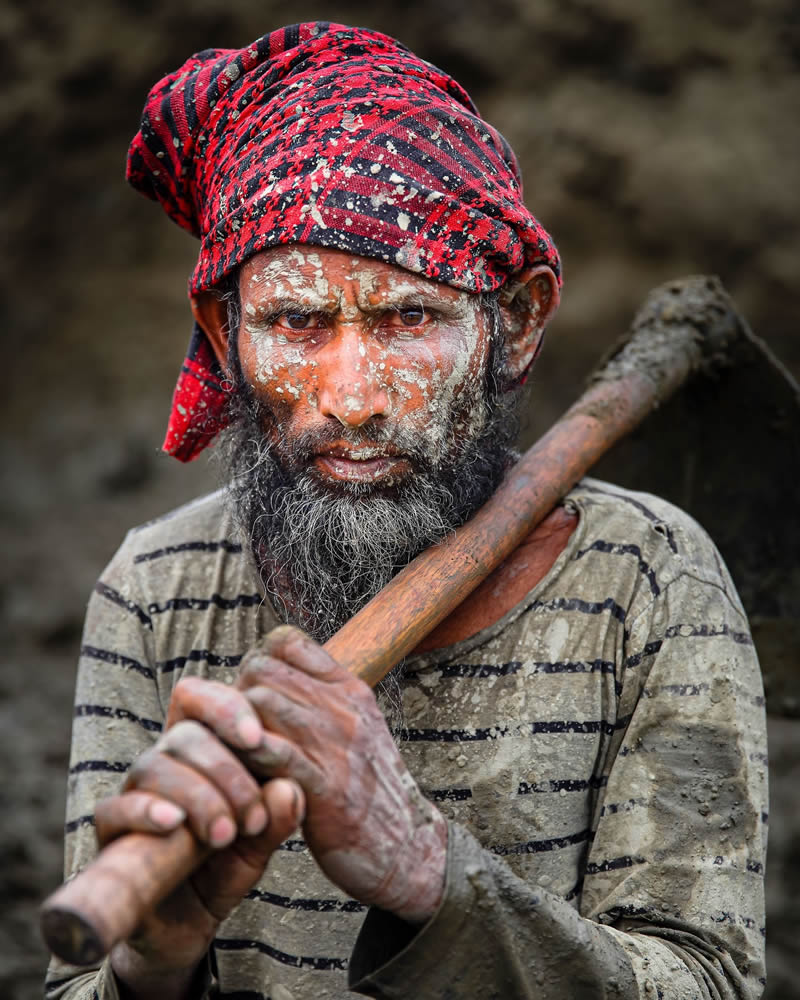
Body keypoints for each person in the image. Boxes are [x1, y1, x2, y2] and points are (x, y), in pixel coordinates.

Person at [46, 22, 767, 1000]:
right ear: (224, 332)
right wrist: (154, 961)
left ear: (511, 320)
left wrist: (429, 872)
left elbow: (706, 983)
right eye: (295, 322)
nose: (351, 396)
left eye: (407, 317)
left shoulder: (644, 575)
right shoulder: (155, 589)